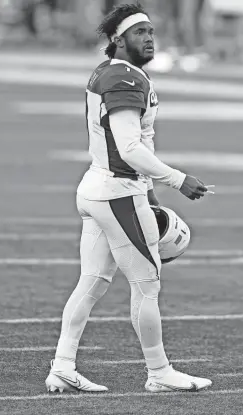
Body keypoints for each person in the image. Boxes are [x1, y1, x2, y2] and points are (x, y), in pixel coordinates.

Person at [45, 2, 212, 393]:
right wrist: (178, 179)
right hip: (117, 193)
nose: (150, 38)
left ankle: (63, 366)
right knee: (147, 285)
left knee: (93, 281)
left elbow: (132, 146)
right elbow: (130, 147)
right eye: (140, 33)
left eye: (152, 32)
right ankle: (159, 372)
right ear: (118, 40)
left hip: (99, 188)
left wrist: (150, 192)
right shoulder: (124, 78)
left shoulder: (114, 72)